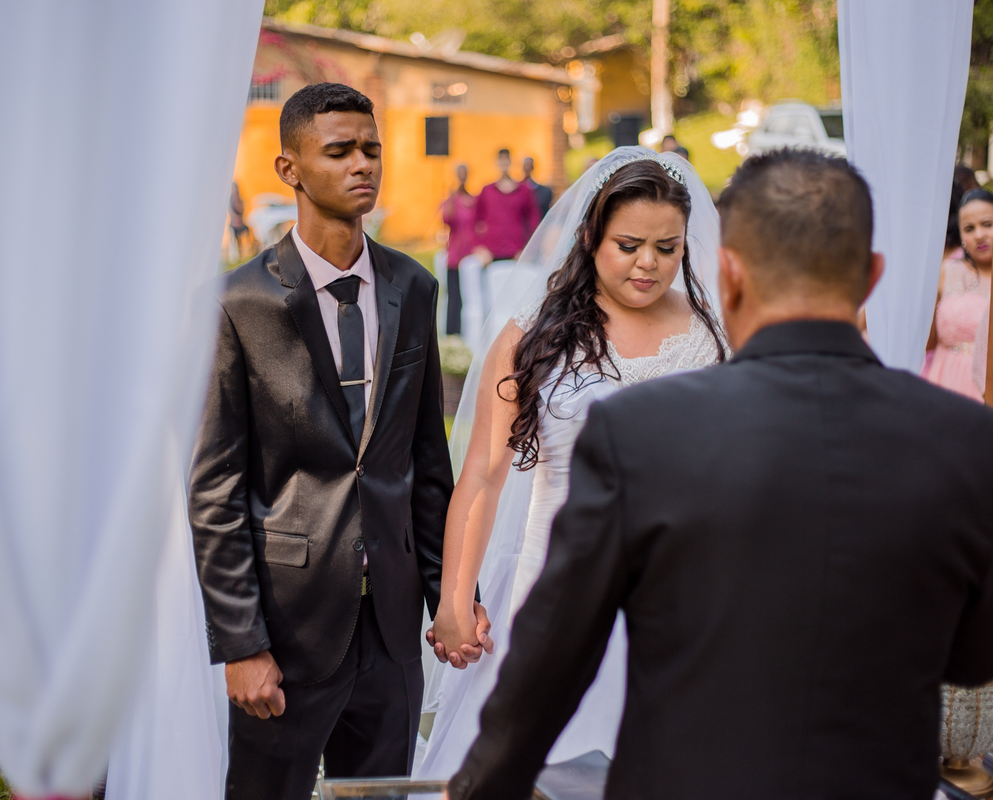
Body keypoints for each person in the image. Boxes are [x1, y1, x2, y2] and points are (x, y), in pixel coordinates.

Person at [445, 148, 993, 800]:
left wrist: (485, 784)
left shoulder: (644, 426)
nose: (648, 262)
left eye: (667, 247)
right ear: (874, 276)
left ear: (727, 272)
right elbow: (976, 658)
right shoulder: (977, 441)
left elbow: (554, 657)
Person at [189, 83, 475, 800]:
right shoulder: (238, 302)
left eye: (371, 149)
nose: (362, 165)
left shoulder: (413, 286)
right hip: (287, 623)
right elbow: (215, 490)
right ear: (289, 169)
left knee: (382, 795)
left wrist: (445, 593)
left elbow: (426, 463)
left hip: (392, 624)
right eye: (339, 150)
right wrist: (243, 645)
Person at [414, 148, 727, 780]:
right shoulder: (531, 335)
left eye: (668, 248)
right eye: (630, 244)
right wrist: (453, 598)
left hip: (673, 606)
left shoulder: (711, 338)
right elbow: (483, 474)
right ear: (590, 236)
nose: (649, 264)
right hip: (548, 591)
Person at [922, 189, 993, 400]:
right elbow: (928, 340)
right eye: (969, 229)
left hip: (991, 385)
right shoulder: (945, 271)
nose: (979, 235)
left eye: (987, 224)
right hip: (944, 379)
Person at [474, 149, 538, 261]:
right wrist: (480, 247)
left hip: (517, 252)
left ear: (511, 162)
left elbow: (533, 221)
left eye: (506, 159)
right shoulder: (487, 191)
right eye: (501, 159)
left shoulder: (524, 191)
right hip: (491, 253)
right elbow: (474, 221)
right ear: (497, 163)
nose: (504, 163)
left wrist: (528, 248)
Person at [442, 164, 478, 334]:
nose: (462, 176)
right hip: (455, 256)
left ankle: (470, 332)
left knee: (471, 297)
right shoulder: (451, 200)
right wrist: (451, 196)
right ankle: (453, 333)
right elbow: (446, 220)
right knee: (454, 298)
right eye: (460, 174)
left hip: (471, 256)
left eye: (465, 174)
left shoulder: (474, 200)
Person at [228, 181, 252, 258]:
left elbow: (241, 211)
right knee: (236, 237)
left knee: (247, 231)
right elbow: (237, 212)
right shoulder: (231, 201)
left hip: (240, 224)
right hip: (235, 225)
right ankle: (238, 252)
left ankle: (250, 248)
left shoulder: (238, 199)